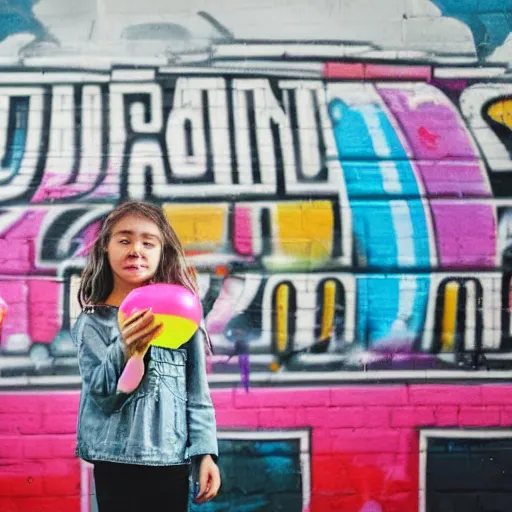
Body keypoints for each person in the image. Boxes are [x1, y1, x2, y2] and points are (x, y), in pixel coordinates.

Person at [71, 200, 221, 512]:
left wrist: (205, 453)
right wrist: (124, 347)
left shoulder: (183, 315)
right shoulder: (91, 323)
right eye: (124, 240)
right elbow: (102, 396)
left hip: (169, 458)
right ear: (105, 250)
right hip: (114, 459)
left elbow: (197, 393)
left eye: (148, 242)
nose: (136, 249)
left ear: (161, 253)